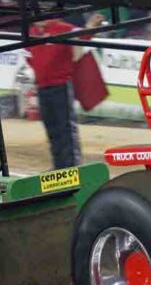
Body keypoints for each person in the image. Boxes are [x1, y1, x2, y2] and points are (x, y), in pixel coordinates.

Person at [29, 13, 104, 169]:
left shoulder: (61, 28)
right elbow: (30, 58)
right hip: (43, 88)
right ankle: (59, 165)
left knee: (65, 129)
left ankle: (70, 166)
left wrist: (91, 26)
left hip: (60, 86)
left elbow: (81, 36)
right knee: (52, 129)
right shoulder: (32, 32)